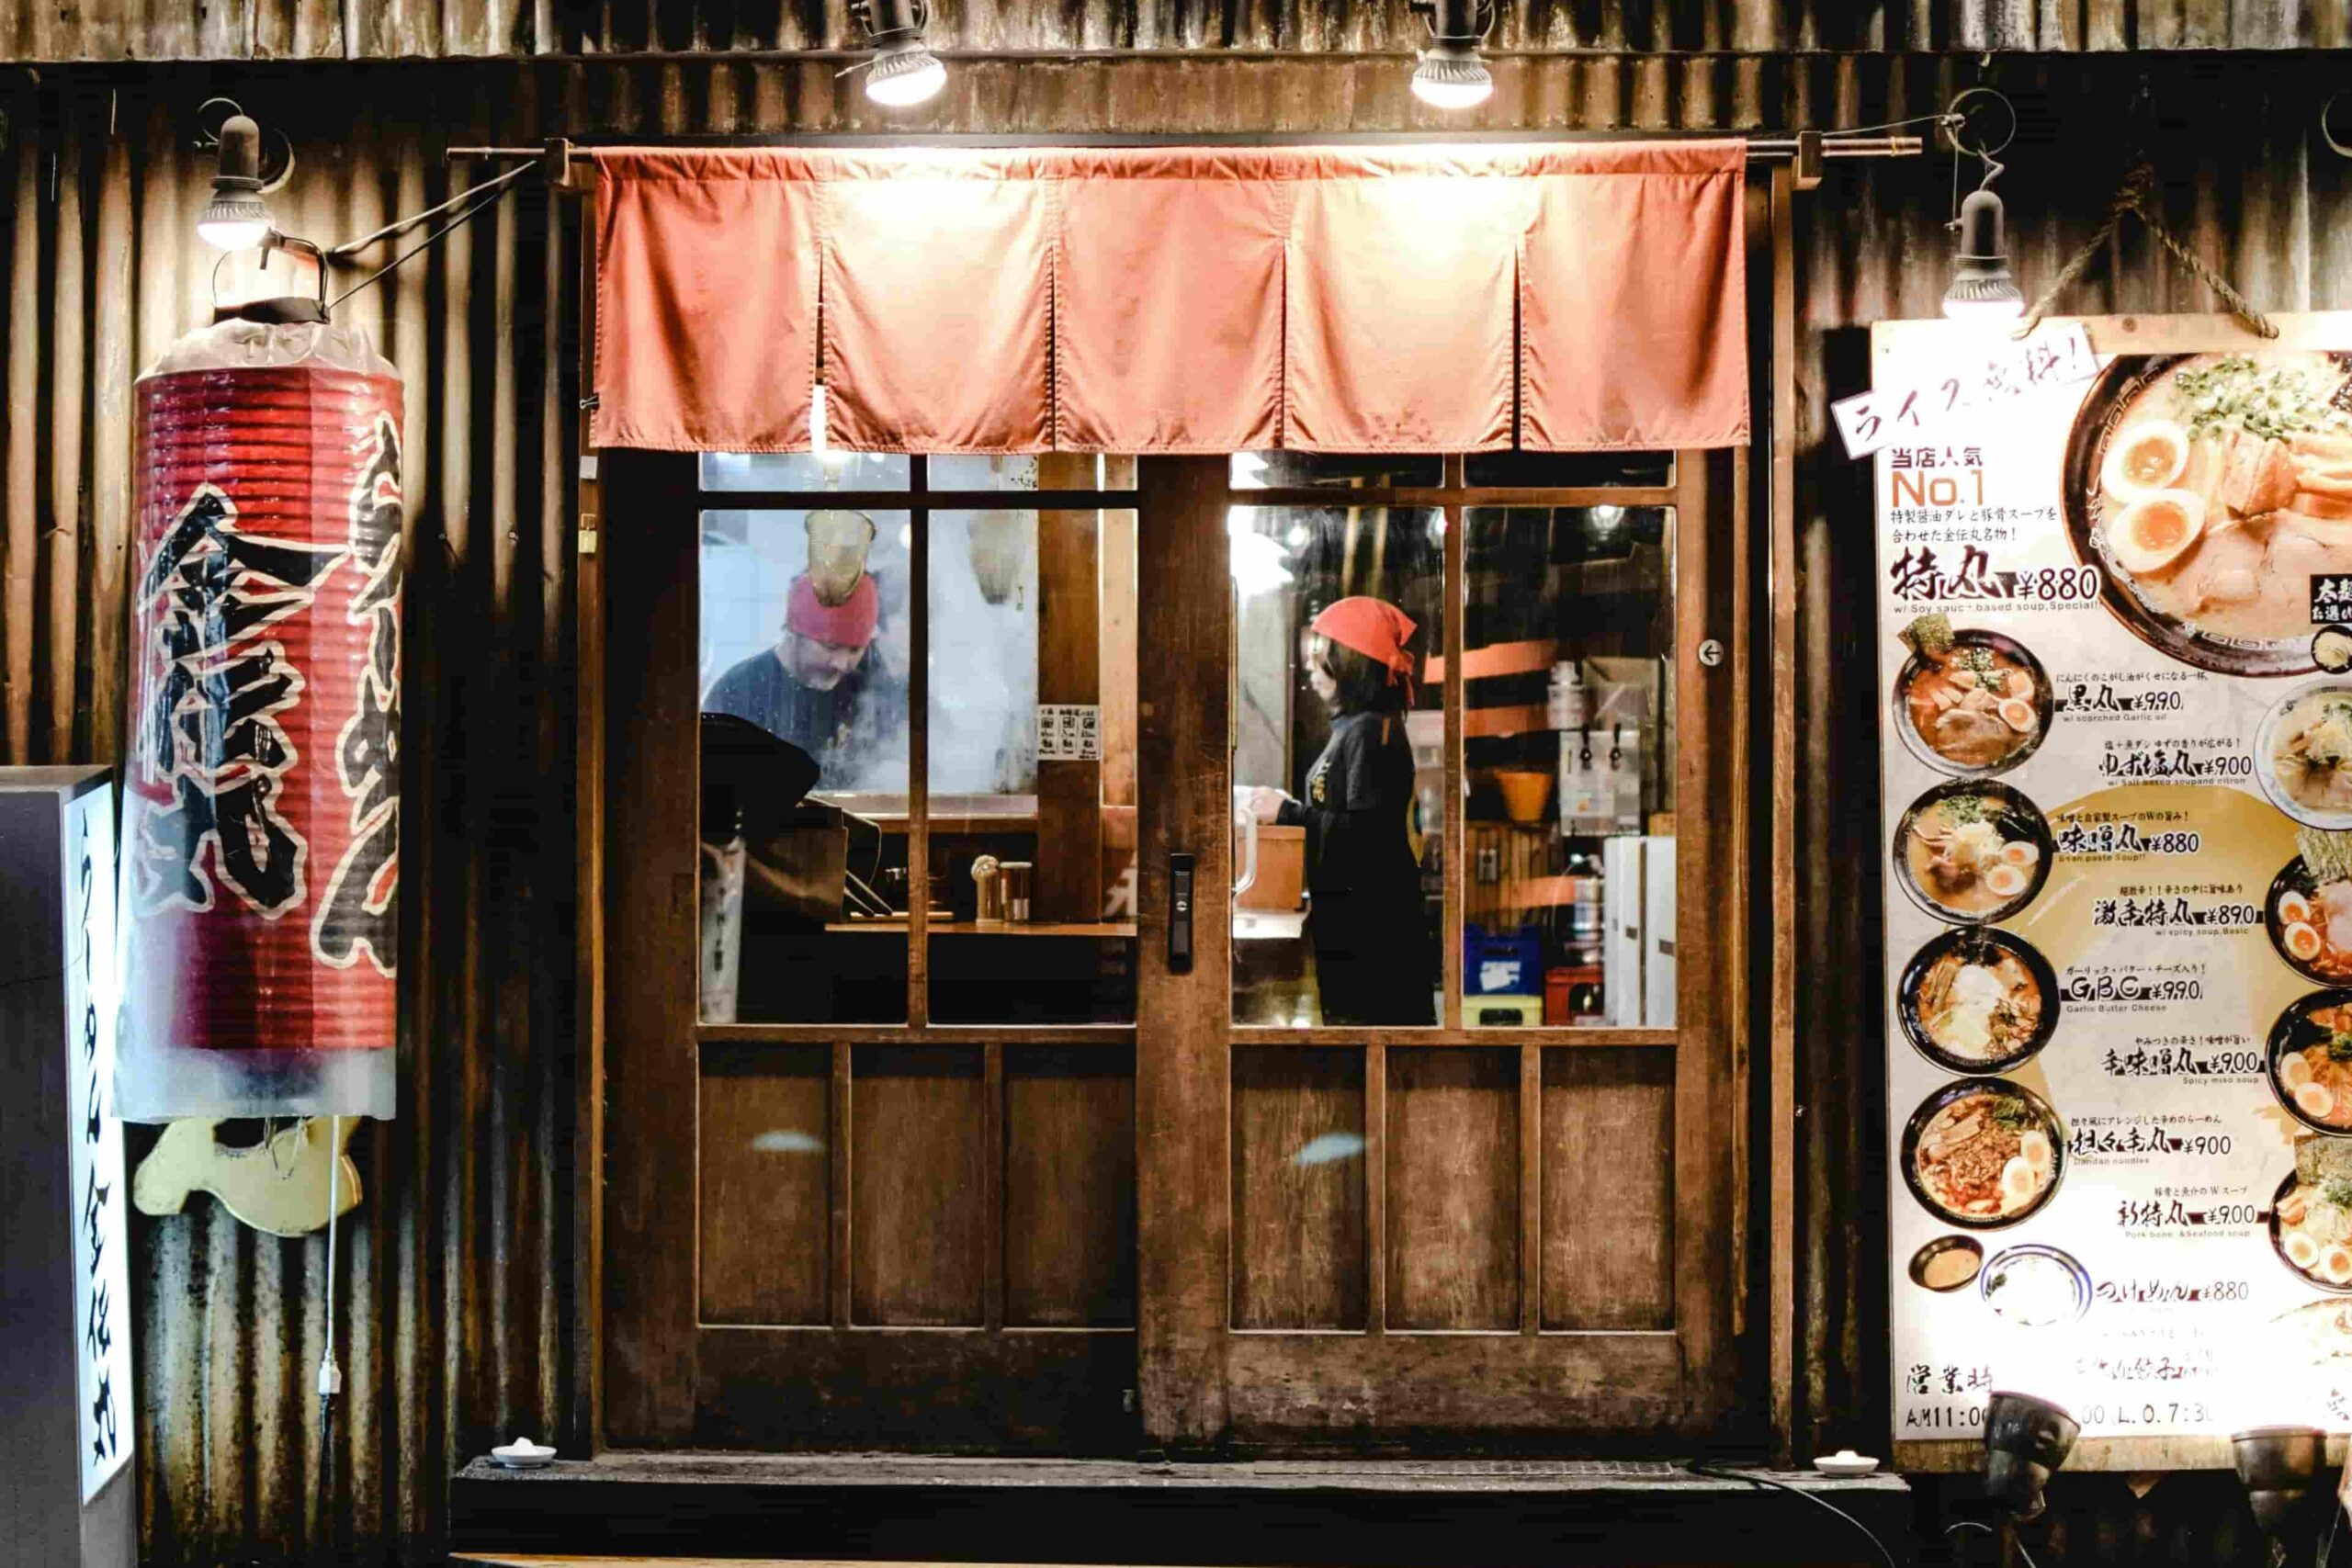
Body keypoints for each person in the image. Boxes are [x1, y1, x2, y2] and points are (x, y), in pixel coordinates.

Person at [1248, 596, 1435, 1026]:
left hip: (1376, 942)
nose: (1310, 671)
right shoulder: (1354, 729)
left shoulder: (1372, 732)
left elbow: (1365, 839)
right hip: (1353, 935)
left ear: (1350, 663)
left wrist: (1289, 813)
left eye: (1320, 659)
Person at [702, 570, 899, 782]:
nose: (842, 664)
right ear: (794, 632)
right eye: (830, 647)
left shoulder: (870, 684)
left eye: (854, 650)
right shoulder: (740, 692)